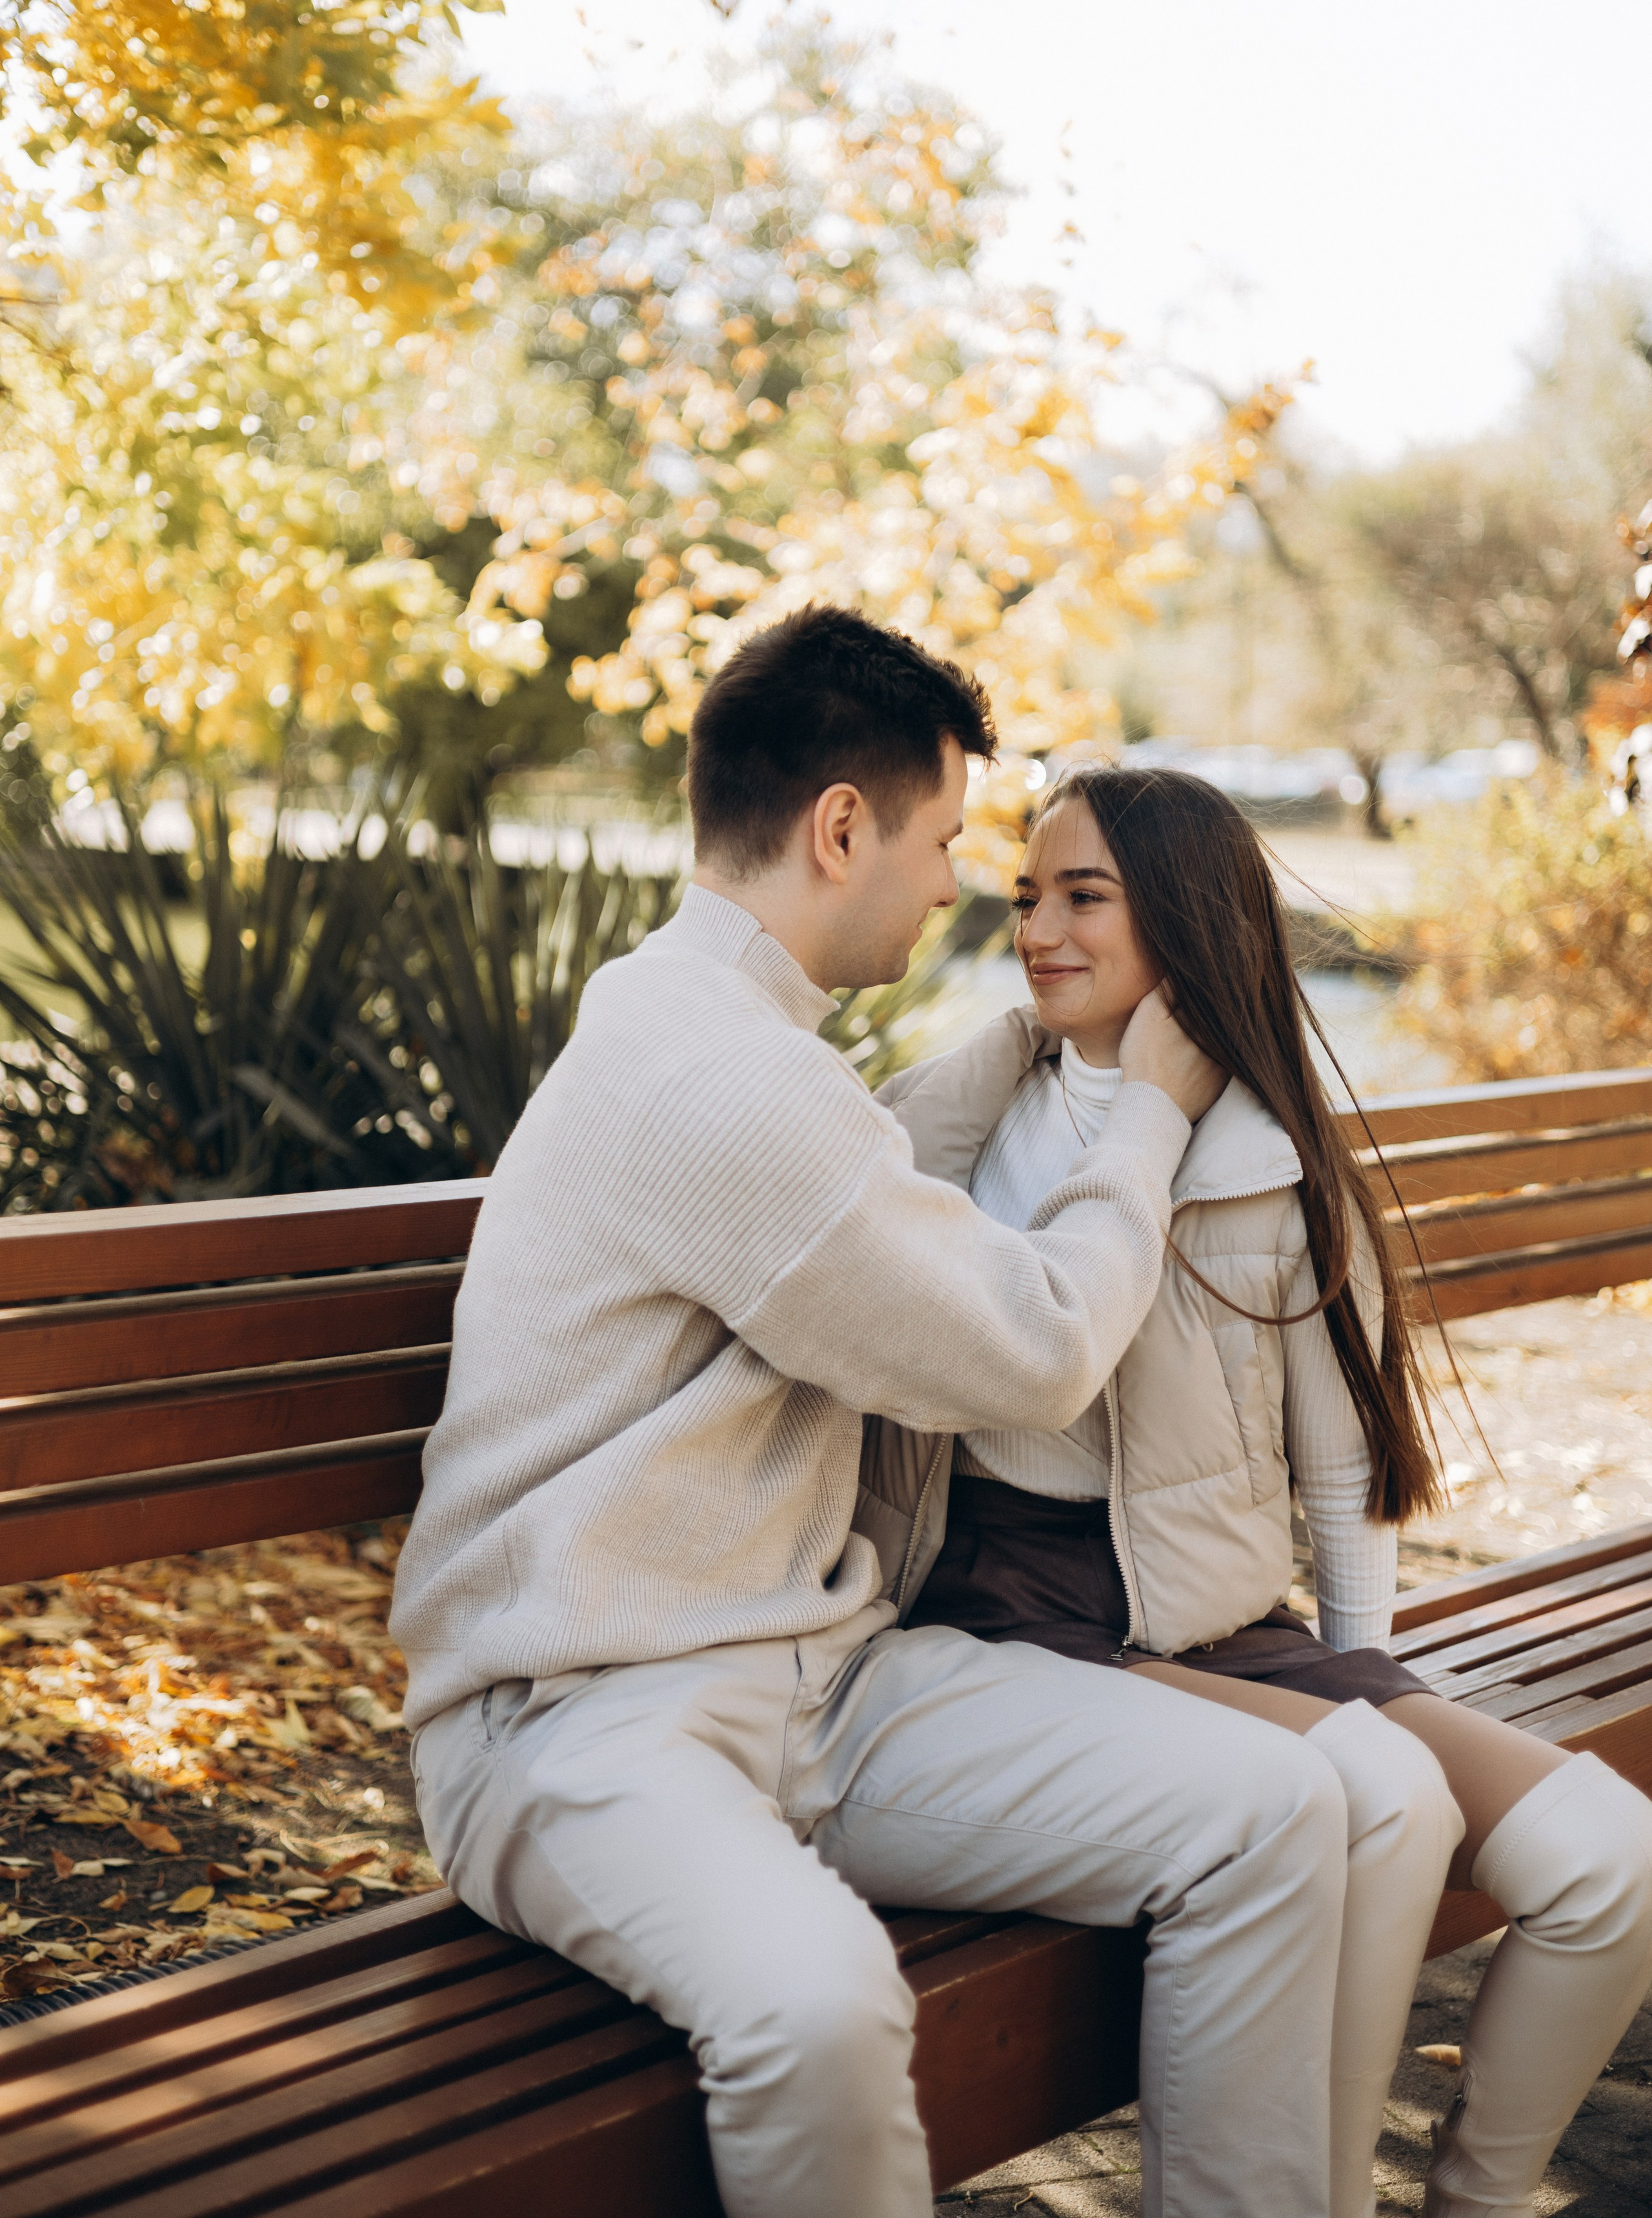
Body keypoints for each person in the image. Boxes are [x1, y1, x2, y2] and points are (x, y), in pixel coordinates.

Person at [390, 605, 1449, 2218]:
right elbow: (1031, 1349)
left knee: (1277, 1811)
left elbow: (865, 1159)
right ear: (839, 829)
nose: (959, 886)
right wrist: (1148, 1120)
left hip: (820, 1682)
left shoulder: (719, 1031)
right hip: (580, 1717)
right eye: (945, 840)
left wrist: (1038, 1032)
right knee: (819, 2003)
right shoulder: (716, 1083)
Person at [885, 761, 1652, 2218]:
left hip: (1220, 1623)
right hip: (1020, 1618)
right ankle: (1318, 2194)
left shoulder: (1275, 1161)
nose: (1037, 928)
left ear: (1178, 920)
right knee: (1380, 1798)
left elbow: (1340, 1464)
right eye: (1023, 897)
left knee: (1609, 1856)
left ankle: (1472, 2196)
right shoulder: (976, 1128)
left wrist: (1365, 1671)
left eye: (1081, 897)